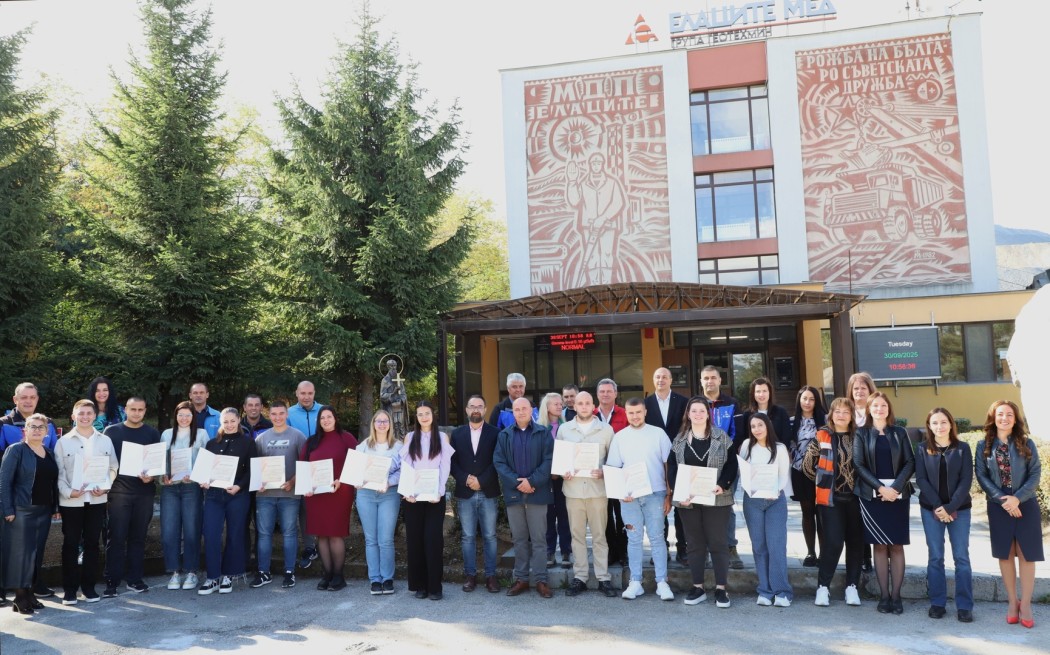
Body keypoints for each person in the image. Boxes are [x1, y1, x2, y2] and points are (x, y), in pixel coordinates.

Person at [974, 400, 1043, 629]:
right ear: (993, 418)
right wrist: (1003, 499)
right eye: (1000, 414)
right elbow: (981, 476)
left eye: (1009, 414)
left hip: (1025, 503)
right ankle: (1013, 602)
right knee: (1005, 554)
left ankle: (1027, 604)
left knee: (1026, 554)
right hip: (998, 505)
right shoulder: (983, 445)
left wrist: (1017, 498)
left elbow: (1035, 473)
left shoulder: (1026, 443)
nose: (1004, 418)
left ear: (1015, 419)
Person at [667, 396, 735, 608]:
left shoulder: (721, 437)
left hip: (717, 498)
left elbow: (732, 465)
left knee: (718, 543)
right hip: (688, 500)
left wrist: (722, 484)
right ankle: (698, 587)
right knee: (694, 544)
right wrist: (679, 491)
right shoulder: (679, 440)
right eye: (693, 411)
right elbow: (672, 468)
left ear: (708, 414)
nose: (697, 414)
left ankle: (721, 589)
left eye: (701, 411)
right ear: (688, 414)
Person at [853, 391, 915, 615]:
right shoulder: (861, 433)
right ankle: (884, 596)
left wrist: (895, 488)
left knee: (896, 545)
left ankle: (896, 597)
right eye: (875, 406)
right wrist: (880, 488)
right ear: (869, 409)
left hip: (897, 496)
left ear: (889, 409)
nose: (879, 409)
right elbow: (858, 464)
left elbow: (910, 462)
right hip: (872, 496)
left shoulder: (900, 432)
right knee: (879, 545)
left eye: (883, 405)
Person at [608, 398, 674, 602]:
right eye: (631, 413)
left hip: (656, 494)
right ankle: (635, 582)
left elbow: (668, 465)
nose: (635, 416)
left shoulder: (658, 434)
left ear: (645, 412)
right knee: (634, 539)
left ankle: (662, 582)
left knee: (657, 538)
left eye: (638, 412)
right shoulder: (620, 437)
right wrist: (621, 492)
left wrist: (669, 494)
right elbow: (614, 468)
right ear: (626, 414)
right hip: (630, 498)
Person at [802, 397, 864, 608]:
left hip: (857, 498)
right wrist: (824, 481)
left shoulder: (860, 436)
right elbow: (807, 465)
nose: (841, 415)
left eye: (846, 412)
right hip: (830, 499)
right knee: (833, 543)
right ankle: (823, 587)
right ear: (831, 414)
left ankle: (852, 587)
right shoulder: (822, 435)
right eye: (837, 411)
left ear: (851, 415)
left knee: (855, 543)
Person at [914, 407, 973, 623]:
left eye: (943, 422)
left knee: (961, 557)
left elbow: (966, 480)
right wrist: (939, 506)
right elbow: (921, 479)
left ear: (951, 424)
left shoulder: (963, 448)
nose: (940, 426)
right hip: (931, 510)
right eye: (935, 423)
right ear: (929, 426)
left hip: (960, 509)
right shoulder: (922, 449)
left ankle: (964, 606)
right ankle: (937, 603)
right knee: (936, 557)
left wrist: (950, 507)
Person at [55, 401, 118, 605]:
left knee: (92, 544)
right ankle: (70, 590)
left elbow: (113, 467)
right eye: (80, 413)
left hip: (97, 499)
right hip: (71, 501)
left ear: (94, 416)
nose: (85, 416)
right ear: (73, 416)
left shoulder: (105, 440)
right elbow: (59, 473)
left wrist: (106, 486)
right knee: (71, 544)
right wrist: (68, 492)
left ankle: (89, 588)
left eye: (89, 413)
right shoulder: (63, 442)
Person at [556, 391, 616, 598]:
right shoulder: (564, 429)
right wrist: (563, 471)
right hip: (573, 491)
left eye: (587, 403)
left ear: (593, 406)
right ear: (575, 406)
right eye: (580, 403)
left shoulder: (606, 430)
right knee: (577, 536)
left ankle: (603, 578)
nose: (583, 406)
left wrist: (604, 471)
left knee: (599, 536)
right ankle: (580, 577)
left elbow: (614, 460)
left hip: (597, 491)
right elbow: (560, 460)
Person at [494, 397, 554, 599]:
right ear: (513, 412)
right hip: (514, 493)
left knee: (539, 539)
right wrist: (517, 482)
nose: (520, 412)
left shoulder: (543, 433)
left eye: (524, 408)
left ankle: (541, 580)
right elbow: (499, 462)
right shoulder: (504, 435)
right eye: (517, 409)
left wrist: (532, 481)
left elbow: (548, 460)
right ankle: (521, 579)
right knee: (519, 539)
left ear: (531, 410)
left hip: (538, 492)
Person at [1, 412, 58, 615]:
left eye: (41, 427)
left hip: (44, 510)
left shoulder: (49, 452)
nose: (36, 430)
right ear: (25, 430)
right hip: (21, 510)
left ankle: (31, 594)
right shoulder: (16, 450)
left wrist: (55, 508)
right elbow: (4, 482)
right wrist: (7, 509)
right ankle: (19, 597)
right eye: (32, 426)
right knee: (21, 556)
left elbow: (52, 483)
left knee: (36, 554)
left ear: (46, 432)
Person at [102, 397, 160, 597]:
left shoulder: (152, 433)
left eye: (140, 409)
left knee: (138, 537)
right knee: (116, 537)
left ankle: (135, 579)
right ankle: (112, 581)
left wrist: (152, 476)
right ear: (125, 409)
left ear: (145, 411)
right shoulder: (111, 432)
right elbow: (103, 460)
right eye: (133, 409)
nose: (136, 413)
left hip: (144, 492)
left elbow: (156, 463)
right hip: (118, 492)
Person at [198, 408, 256, 595]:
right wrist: (203, 480)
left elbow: (252, 470)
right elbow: (203, 470)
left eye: (232, 421)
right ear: (220, 423)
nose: (229, 425)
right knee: (211, 534)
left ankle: (229, 575)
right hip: (214, 496)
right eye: (225, 421)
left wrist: (239, 486)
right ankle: (213, 577)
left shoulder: (248, 442)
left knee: (235, 534)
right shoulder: (211, 443)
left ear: (238, 420)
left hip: (237, 495)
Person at [300, 406, 357, 592]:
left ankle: (339, 576)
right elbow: (303, 466)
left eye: (329, 416)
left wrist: (342, 479)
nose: (325, 420)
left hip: (339, 492)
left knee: (335, 533)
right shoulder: (311, 441)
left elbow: (356, 464)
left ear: (335, 418)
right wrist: (305, 487)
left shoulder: (346, 438)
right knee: (321, 534)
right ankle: (327, 574)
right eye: (322, 417)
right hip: (316, 495)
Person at [400, 401, 454, 600]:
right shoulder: (409, 437)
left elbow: (445, 467)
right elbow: (406, 466)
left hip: (434, 497)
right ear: (416, 417)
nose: (424, 417)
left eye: (427, 413)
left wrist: (439, 492)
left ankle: (435, 587)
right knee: (415, 541)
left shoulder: (442, 437)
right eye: (420, 414)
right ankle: (420, 586)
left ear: (433, 415)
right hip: (412, 498)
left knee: (433, 541)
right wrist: (407, 491)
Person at [739, 413, 793, 607]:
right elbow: (743, 472)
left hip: (775, 501)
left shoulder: (779, 448)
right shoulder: (746, 446)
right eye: (753, 426)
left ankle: (782, 592)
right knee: (759, 546)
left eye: (760, 425)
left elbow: (784, 476)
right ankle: (765, 590)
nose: (757, 429)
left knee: (776, 545)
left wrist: (775, 490)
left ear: (768, 425)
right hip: (752, 501)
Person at [449, 395, 501, 594]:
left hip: (488, 491)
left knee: (490, 536)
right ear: (467, 410)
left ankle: (491, 576)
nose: (476, 409)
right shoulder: (457, 434)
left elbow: (498, 461)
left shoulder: (496, 433)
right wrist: (466, 479)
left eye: (480, 406)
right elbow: (452, 462)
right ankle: (470, 576)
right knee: (467, 536)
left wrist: (482, 481)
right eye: (472, 406)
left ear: (485, 409)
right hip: (465, 492)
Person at [252, 400, 306, 590]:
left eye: (281, 413)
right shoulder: (261, 438)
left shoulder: (298, 436)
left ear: (287, 414)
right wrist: (258, 483)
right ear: (269, 415)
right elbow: (256, 466)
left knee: (289, 533)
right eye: (274, 414)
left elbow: (304, 464)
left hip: (289, 494)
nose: (277, 417)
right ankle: (263, 572)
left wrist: (292, 482)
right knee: (264, 534)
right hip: (265, 496)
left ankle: (289, 572)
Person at [159, 400, 208, 591]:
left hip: (191, 488)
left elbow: (206, 460)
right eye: (181, 415)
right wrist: (163, 476)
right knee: (169, 531)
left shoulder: (201, 434)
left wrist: (197, 475)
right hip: (170, 488)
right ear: (176, 416)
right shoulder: (167, 434)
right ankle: (174, 572)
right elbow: (161, 461)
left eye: (188, 415)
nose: (184, 418)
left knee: (191, 530)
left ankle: (191, 571)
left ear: (193, 416)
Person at [644, 367, 689, 566]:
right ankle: (660, 549)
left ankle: (683, 549)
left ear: (671, 380)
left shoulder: (683, 402)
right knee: (658, 507)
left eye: (664, 376)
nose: (661, 379)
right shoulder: (646, 404)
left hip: (680, 459)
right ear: (653, 380)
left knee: (680, 506)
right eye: (657, 376)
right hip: (654, 461)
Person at [699, 366, 742, 570]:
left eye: (713, 378)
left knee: (726, 507)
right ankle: (706, 550)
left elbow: (738, 433)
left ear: (719, 380)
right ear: (701, 381)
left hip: (727, 463)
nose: (710, 381)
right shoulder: (695, 404)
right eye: (706, 378)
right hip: (702, 463)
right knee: (703, 508)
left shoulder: (732, 403)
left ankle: (730, 547)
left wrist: (725, 454)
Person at [355, 409, 402, 595]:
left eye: (385, 421)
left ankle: (387, 578)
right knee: (371, 539)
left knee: (386, 539)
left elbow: (403, 471)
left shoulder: (398, 446)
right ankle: (374, 579)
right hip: (366, 495)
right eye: (378, 421)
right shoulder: (363, 446)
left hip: (389, 494)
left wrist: (388, 482)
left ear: (390, 424)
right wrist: (356, 480)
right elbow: (355, 470)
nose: (382, 424)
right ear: (373, 424)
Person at [565, 151, 627, 286]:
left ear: (602, 164)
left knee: (606, 255)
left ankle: (607, 286)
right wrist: (572, 181)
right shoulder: (583, 183)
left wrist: (603, 218)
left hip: (608, 226)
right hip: (589, 226)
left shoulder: (612, 182)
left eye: (599, 163)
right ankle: (594, 286)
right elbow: (574, 201)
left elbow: (618, 202)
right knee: (591, 257)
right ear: (590, 165)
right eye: (594, 163)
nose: (596, 166)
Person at [787, 385, 827, 568]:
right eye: (805, 398)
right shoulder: (791, 422)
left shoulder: (826, 421)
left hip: (823, 472)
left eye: (812, 399)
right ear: (799, 400)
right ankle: (811, 552)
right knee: (807, 512)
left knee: (822, 513)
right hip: (800, 472)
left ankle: (824, 553)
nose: (808, 402)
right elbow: (788, 445)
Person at [287, 380, 322, 569]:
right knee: (303, 508)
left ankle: (325, 543)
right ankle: (309, 546)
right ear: (296, 393)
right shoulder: (289, 413)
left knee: (323, 506)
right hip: (298, 466)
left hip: (322, 466)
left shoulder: (324, 410)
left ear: (314, 393)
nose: (306, 397)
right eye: (303, 393)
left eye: (310, 393)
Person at [595, 378, 628, 568]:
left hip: (621, 472)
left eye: (609, 391)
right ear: (597, 394)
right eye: (602, 391)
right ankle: (610, 552)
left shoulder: (625, 414)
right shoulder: (591, 415)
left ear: (615, 394)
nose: (605, 394)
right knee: (604, 515)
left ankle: (623, 552)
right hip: (598, 473)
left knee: (622, 514)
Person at [537, 392, 571, 569]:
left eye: (560, 403)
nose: (560, 406)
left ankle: (566, 551)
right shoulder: (538, 428)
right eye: (555, 404)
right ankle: (550, 551)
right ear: (547, 407)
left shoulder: (568, 426)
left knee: (564, 515)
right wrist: (549, 472)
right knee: (548, 516)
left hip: (565, 478)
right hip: (545, 479)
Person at [1, 383, 59, 453]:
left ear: (37, 399)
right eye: (24, 397)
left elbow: (57, 453)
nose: (28, 401)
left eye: (32, 397)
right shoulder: (3, 424)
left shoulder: (49, 423)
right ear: (15, 399)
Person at [379, 359, 408, 439]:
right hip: (390, 408)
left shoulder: (399, 380)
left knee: (401, 427)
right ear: (388, 367)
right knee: (392, 427)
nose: (393, 368)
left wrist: (401, 400)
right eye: (391, 366)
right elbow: (382, 396)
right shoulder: (385, 380)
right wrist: (393, 393)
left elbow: (404, 394)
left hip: (399, 407)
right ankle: (392, 443)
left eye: (395, 366)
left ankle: (402, 443)